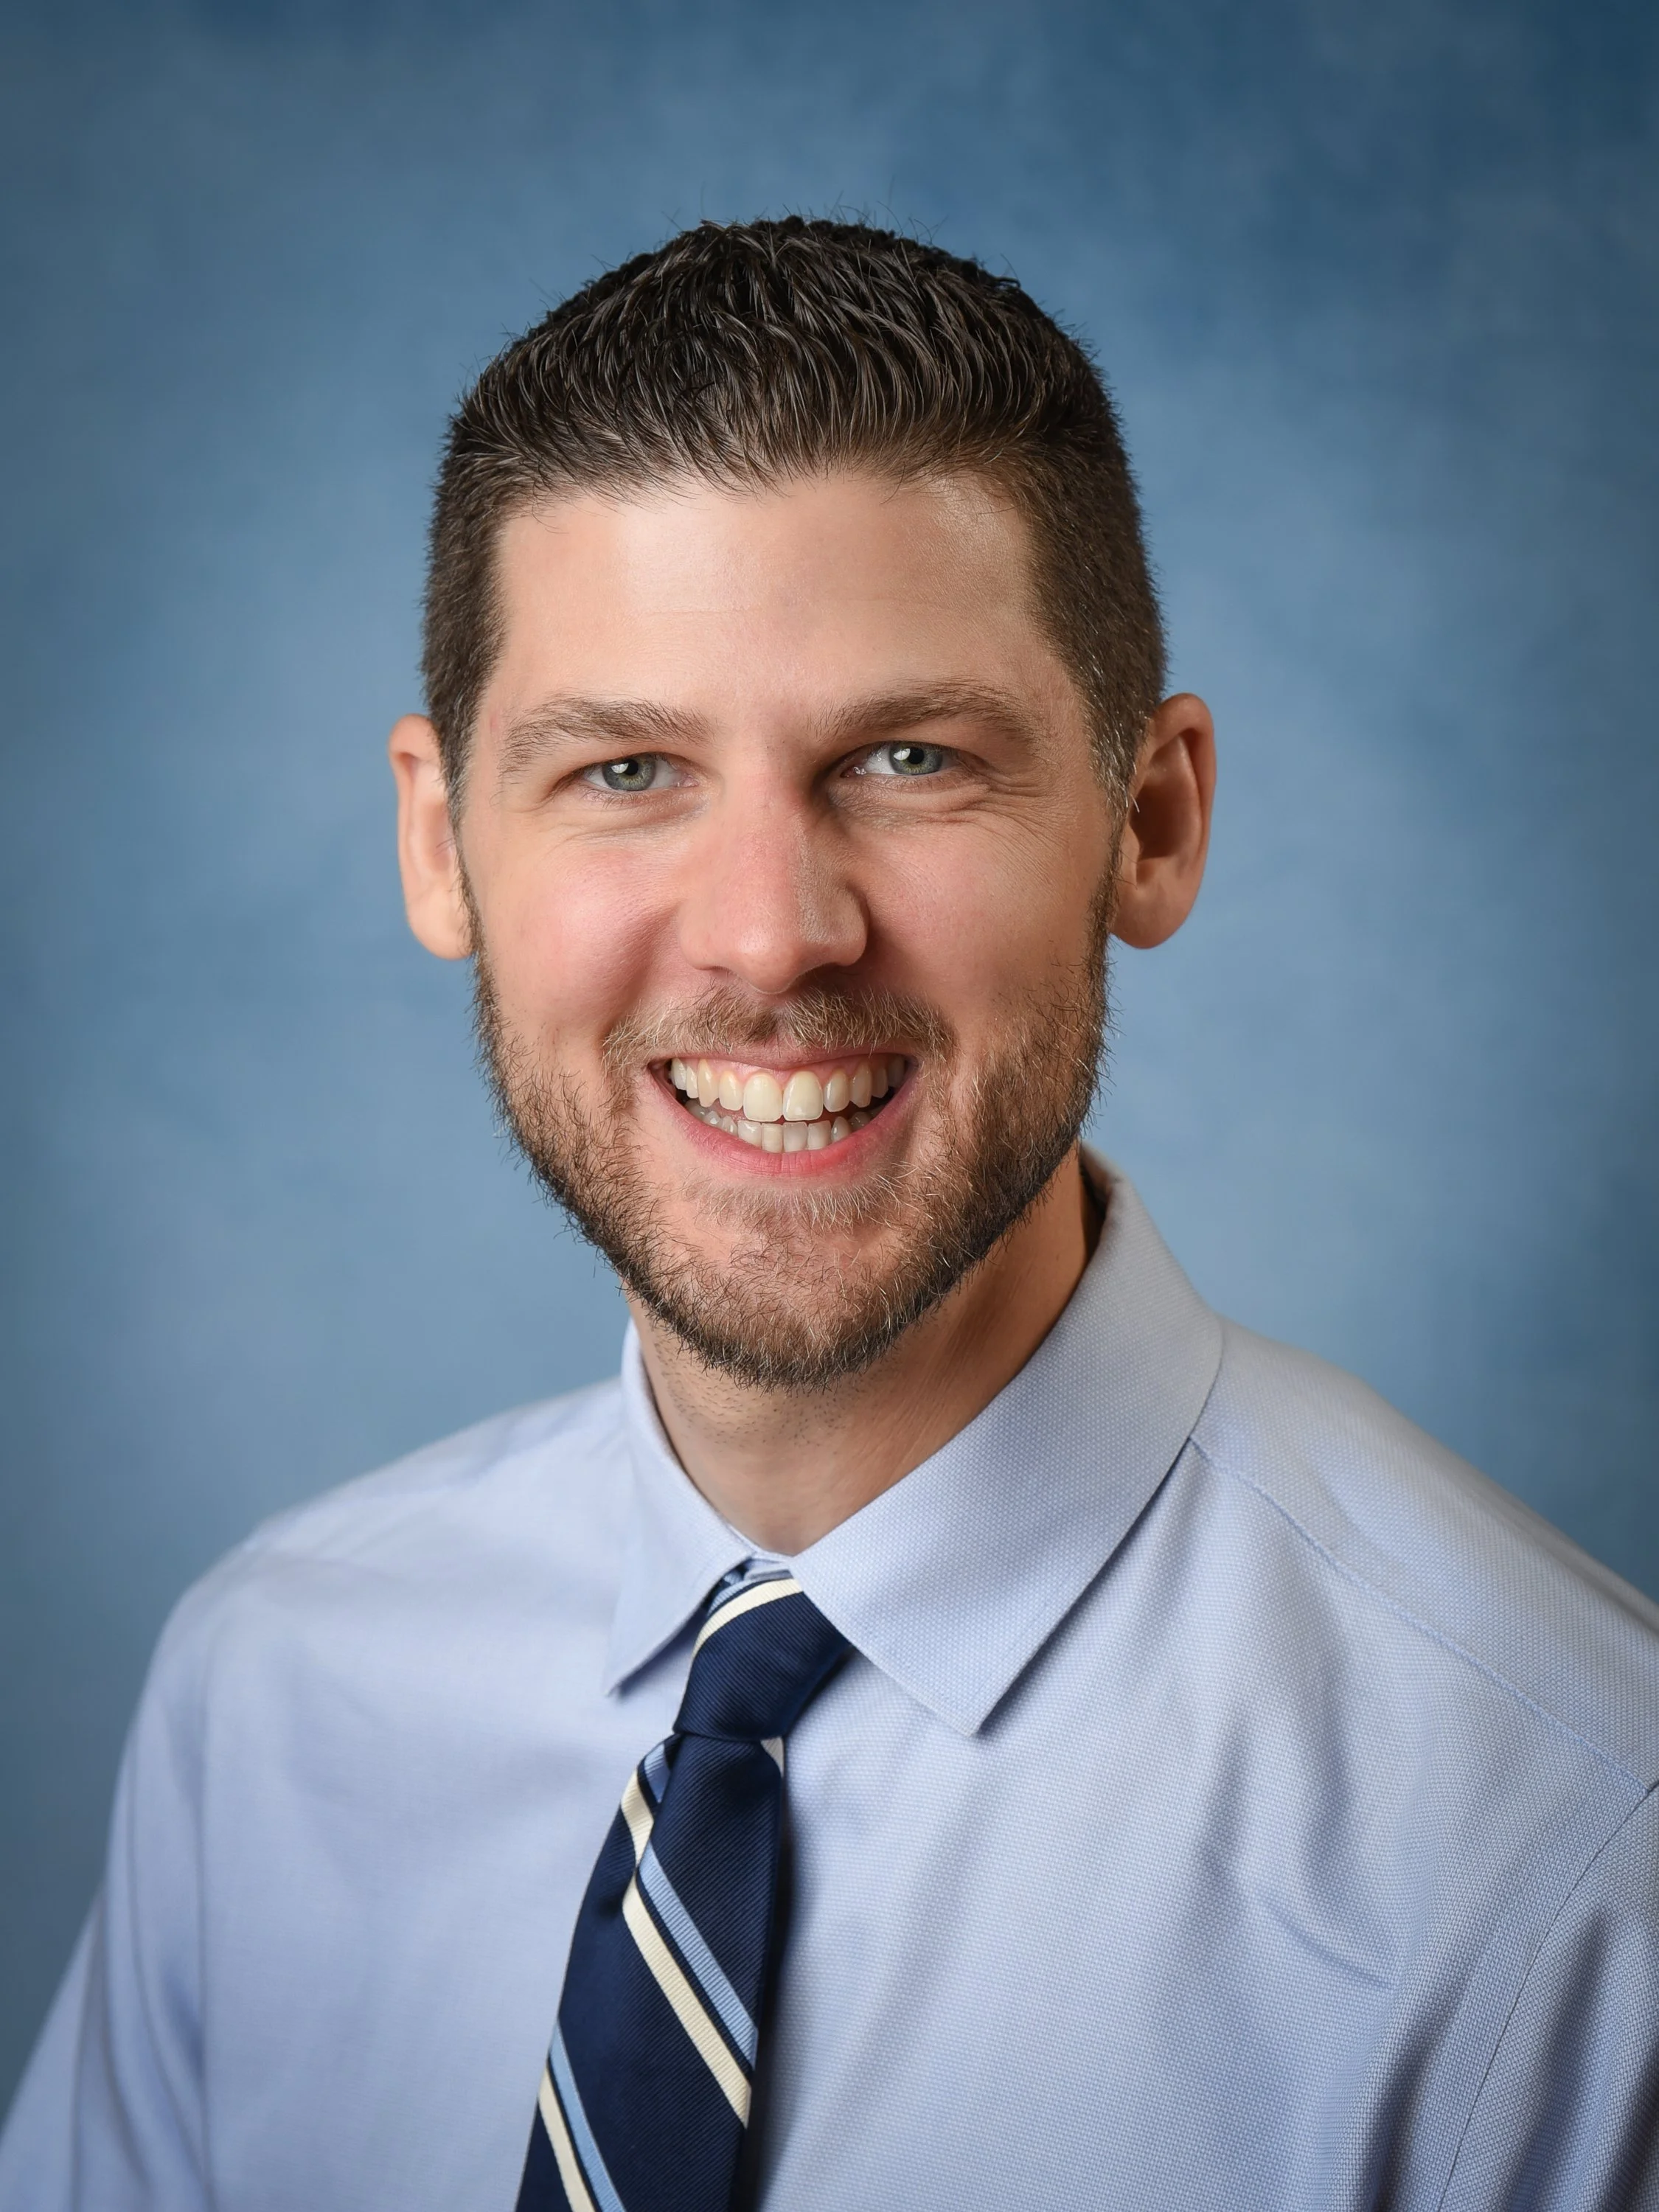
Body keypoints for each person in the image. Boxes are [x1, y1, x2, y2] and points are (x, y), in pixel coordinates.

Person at [3, 218, 1657, 2212]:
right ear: (443, 847)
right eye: (626, 770)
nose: (773, 936)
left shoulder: (1569, 1865)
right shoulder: (271, 1697)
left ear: (1154, 820)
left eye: (907, 757)